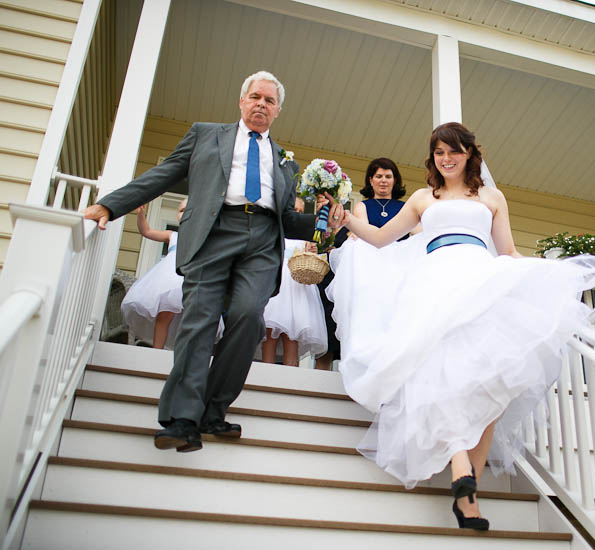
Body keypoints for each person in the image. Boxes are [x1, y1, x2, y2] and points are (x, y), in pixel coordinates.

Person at [330, 122, 595, 530]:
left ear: (470, 153)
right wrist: (347, 220)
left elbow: (507, 250)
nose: (446, 159)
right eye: (439, 152)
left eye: (453, 151)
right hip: (434, 282)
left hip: (480, 279)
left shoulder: (492, 197)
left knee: (491, 381)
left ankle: (468, 487)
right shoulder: (424, 198)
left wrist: (535, 277)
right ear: (432, 158)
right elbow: (383, 237)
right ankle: (462, 471)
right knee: (440, 377)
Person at [84, 70, 344, 453]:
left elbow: (288, 219)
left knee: (249, 318)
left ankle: (214, 410)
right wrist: (110, 204)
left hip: (261, 243)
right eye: (255, 97)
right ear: (242, 101)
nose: (261, 104)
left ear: (277, 111)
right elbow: (163, 174)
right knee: (200, 318)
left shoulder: (285, 163)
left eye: (269, 101)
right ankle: (183, 419)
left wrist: (327, 226)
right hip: (213, 231)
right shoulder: (206, 135)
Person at [315, 157, 407, 371]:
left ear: (395, 181)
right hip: (371, 266)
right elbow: (362, 232)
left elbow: (415, 233)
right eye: (378, 176)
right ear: (370, 181)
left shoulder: (406, 208)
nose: (383, 181)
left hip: (400, 264)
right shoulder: (362, 206)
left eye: (388, 176)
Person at [261, 197, 327, 366]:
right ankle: (266, 374)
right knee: (269, 333)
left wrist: (312, 249)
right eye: (293, 210)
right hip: (274, 284)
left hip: (296, 287)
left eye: (300, 211)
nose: (296, 213)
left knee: (292, 335)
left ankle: (290, 377)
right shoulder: (273, 230)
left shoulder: (304, 236)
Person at [120, 200, 186, 349]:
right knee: (165, 315)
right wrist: (141, 215)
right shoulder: (172, 235)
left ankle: (183, 354)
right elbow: (147, 231)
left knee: (189, 319)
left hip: (190, 278)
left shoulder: (203, 236)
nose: (184, 213)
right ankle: (157, 351)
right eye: (181, 210)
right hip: (171, 279)